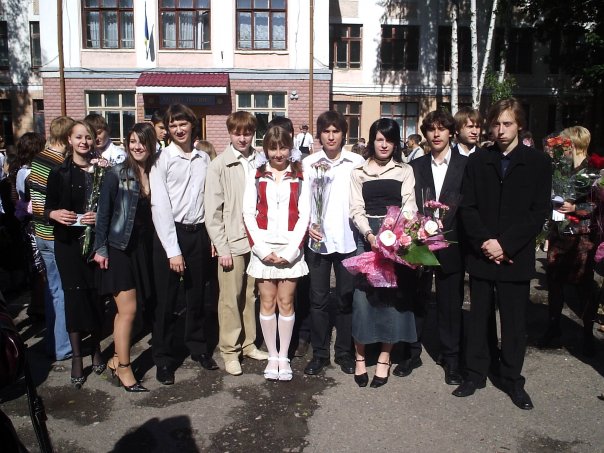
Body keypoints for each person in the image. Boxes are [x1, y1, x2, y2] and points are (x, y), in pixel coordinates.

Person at [455, 98, 551, 410]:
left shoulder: (537, 162)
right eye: (496, 124)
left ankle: (511, 379)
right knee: (479, 318)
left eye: (507, 123)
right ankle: (475, 373)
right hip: (482, 253)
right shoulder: (478, 160)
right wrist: (486, 241)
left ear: (519, 125)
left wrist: (505, 244)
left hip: (515, 256)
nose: (501, 130)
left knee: (514, 323)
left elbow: (538, 212)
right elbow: (467, 207)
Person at [150, 104, 217, 385]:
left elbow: (209, 199)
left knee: (197, 295)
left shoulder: (204, 158)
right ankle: (164, 359)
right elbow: (160, 205)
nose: (178, 129)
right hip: (171, 233)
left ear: (192, 125)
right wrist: (172, 250)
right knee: (166, 300)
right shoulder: (161, 159)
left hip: (198, 232)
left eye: (183, 124)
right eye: (173, 125)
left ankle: (198, 347)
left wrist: (213, 236)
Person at [349, 118, 417, 388]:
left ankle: (384, 358)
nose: (384, 144)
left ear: (396, 143)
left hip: (395, 240)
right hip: (367, 238)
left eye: (389, 139)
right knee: (362, 300)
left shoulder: (405, 170)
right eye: (379, 139)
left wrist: (396, 235)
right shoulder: (358, 172)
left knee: (390, 299)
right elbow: (356, 209)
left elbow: (409, 206)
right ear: (372, 141)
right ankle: (360, 357)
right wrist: (369, 235)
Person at [403, 110, 467, 385]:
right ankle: (412, 352)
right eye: (431, 129)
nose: (437, 134)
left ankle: (451, 359)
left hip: (453, 244)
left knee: (449, 304)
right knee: (417, 299)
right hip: (421, 244)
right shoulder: (416, 166)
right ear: (425, 134)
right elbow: (408, 204)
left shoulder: (465, 165)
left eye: (442, 128)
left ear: (451, 132)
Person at [93, 123, 158, 392]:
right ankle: (124, 367)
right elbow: (103, 214)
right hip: (119, 248)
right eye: (132, 141)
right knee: (127, 311)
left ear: (151, 144)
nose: (136, 147)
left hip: (144, 250)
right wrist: (100, 248)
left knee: (137, 310)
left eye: (141, 142)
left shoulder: (156, 171)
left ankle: (115, 361)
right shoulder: (116, 173)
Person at [242, 125, 310, 381]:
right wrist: (261, 250)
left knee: (286, 302)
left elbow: (305, 215)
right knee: (267, 302)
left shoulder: (300, 176)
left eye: (283, 147)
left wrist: (291, 252)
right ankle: (272, 355)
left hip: (290, 249)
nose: (278, 153)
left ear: (291, 148)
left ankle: (284, 356)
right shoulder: (256, 175)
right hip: (264, 248)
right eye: (273, 148)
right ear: (266, 149)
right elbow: (248, 213)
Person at [205, 111, 269, 376]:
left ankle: (248, 343)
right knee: (230, 298)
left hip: (256, 241)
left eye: (247, 133)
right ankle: (230, 350)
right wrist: (222, 246)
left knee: (251, 296)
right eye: (237, 133)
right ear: (230, 133)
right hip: (232, 241)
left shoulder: (261, 161)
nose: (242, 138)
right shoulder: (219, 165)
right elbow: (213, 211)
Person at [302, 110, 365, 376]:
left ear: (343, 135)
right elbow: (304, 201)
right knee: (317, 300)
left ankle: (343, 352)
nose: (331, 136)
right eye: (326, 131)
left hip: (348, 240)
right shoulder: (309, 163)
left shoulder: (356, 162)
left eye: (335, 131)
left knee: (345, 299)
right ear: (319, 135)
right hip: (318, 242)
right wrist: (308, 226)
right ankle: (319, 354)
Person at [45, 120, 105, 388]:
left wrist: (99, 216)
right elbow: (46, 208)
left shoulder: (102, 171)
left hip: (94, 244)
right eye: (79, 137)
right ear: (69, 140)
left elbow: (113, 207)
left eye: (88, 137)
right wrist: (55, 214)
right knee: (73, 297)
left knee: (95, 296)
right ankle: (78, 356)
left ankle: (96, 348)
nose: (84, 142)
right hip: (67, 244)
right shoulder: (59, 172)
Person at [539, 126, 598, 356]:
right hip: (559, 233)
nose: (560, 147)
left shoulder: (593, 170)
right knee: (554, 283)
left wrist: (576, 208)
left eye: (564, 143)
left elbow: (597, 205)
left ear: (573, 143)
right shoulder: (560, 168)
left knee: (584, 287)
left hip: (582, 237)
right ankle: (553, 327)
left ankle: (587, 333)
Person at [30, 116, 74, 362]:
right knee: (62, 291)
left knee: (52, 290)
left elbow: (34, 200)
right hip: (55, 234)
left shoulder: (38, 159)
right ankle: (63, 346)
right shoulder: (60, 164)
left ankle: (52, 342)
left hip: (40, 232)